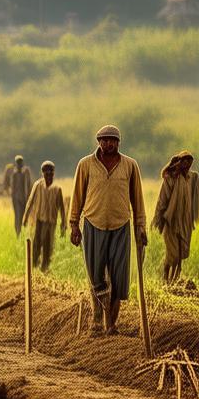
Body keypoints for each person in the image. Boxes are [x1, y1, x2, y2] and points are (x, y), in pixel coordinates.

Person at [69, 125, 147, 337]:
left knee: (118, 278)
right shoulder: (85, 165)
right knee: (96, 277)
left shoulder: (130, 165)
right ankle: (97, 320)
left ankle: (110, 324)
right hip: (93, 224)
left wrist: (140, 226)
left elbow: (137, 199)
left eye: (112, 140)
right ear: (98, 142)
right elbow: (77, 195)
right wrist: (74, 224)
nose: (108, 144)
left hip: (121, 226)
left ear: (118, 142)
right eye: (104, 140)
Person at [153, 150, 199, 284]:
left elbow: (193, 200)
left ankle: (175, 281)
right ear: (179, 162)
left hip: (185, 223)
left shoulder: (191, 178)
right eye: (185, 161)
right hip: (171, 222)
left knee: (181, 255)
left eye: (190, 161)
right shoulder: (171, 178)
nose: (188, 164)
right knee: (172, 254)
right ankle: (165, 279)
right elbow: (162, 200)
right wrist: (159, 218)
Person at [22, 161, 65, 273]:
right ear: (43, 173)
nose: (49, 175)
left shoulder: (57, 189)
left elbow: (62, 208)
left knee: (48, 246)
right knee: (36, 244)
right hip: (40, 220)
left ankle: (44, 269)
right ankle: (34, 267)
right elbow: (30, 201)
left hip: (51, 222)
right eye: (46, 172)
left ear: (54, 173)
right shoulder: (38, 185)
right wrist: (25, 217)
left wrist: (63, 224)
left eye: (51, 172)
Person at [4, 155, 32, 237]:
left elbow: (29, 185)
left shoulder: (26, 173)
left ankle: (24, 234)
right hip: (16, 199)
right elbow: (7, 184)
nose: (19, 164)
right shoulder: (13, 173)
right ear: (16, 163)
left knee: (24, 217)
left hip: (25, 198)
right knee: (17, 217)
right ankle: (18, 234)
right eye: (18, 162)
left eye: (21, 162)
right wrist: (9, 193)